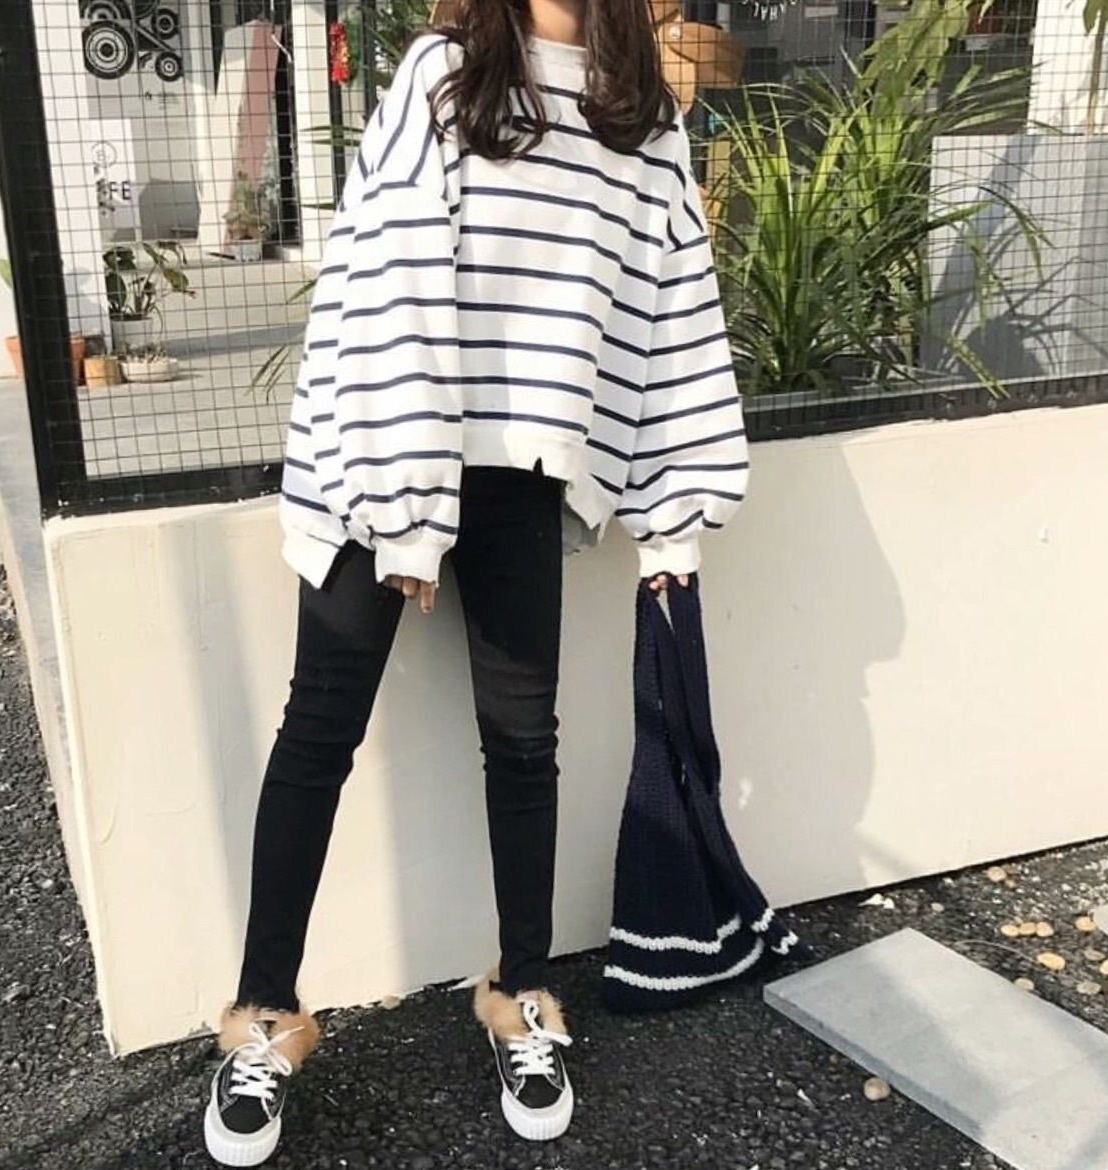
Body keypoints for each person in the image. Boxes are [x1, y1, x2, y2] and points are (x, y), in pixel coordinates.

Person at [203, 0, 749, 1163]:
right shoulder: (442, 76)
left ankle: (520, 994)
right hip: (380, 455)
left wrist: (673, 513)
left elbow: (671, 307)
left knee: (522, 741)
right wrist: (404, 513)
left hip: (517, 468)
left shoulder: (639, 115)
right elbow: (382, 283)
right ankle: (262, 1015)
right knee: (318, 731)